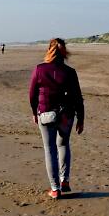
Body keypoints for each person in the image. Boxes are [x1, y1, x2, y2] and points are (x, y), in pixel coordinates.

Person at [28, 37, 85, 199]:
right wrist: (81, 118)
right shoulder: (70, 72)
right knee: (63, 144)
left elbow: (32, 94)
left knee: (50, 149)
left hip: (45, 114)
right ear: (64, 51)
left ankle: (55, 188)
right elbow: (77, 97)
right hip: (67, 115)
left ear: (49, 50)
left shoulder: (40, 69)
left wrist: (34, 112)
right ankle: (64, 180)